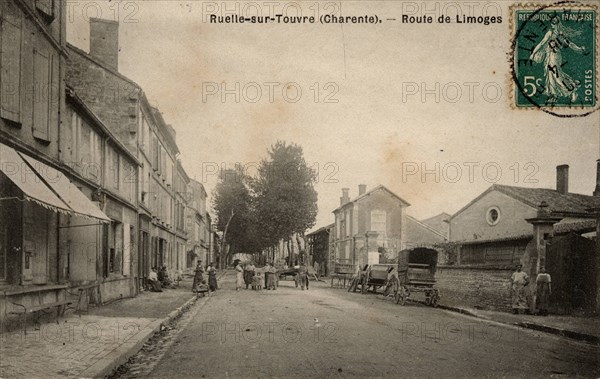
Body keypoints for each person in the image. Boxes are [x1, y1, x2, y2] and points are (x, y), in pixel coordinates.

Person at [530, 16, 587, 103]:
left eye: (554, 23)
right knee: (553, 74)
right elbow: (570, 44)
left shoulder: (552, 33)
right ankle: (554, 94)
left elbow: (542, 43)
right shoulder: (560, 34)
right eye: (552, 22)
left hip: (553, 56)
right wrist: (579, 49)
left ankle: (571, 91)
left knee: (555, 75)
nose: (552, 24)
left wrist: (534, 53)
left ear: (557, 24)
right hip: (553, 55)